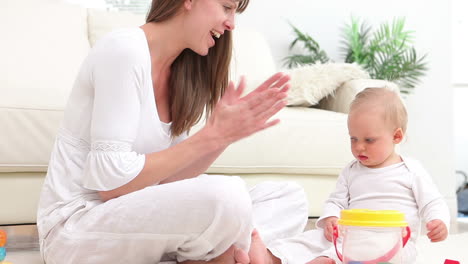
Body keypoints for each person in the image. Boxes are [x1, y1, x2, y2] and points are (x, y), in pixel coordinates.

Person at [36, 0, 323, 263]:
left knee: (288, 197)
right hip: (78, 230)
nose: (232, 23)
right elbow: (111, 185)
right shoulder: (124, 50)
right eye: (226, 6)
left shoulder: (182, 72)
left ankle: (231, 255)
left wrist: (224, 137)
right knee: (227, 196)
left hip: (136, 221)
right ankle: (236, 254)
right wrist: (213, 135)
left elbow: (167, 183)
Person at [302, 87, 451, 263]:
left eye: (369, 140)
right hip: (355, 242)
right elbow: (336, 201)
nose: (358, 147)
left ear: (396, 136)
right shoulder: (351, 171)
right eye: (353, 138)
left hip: (397, 244)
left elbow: (432, 201)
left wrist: (438, 221)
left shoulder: (411, 170)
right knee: (327, 256)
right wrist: (331, 217)